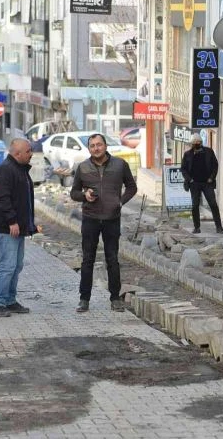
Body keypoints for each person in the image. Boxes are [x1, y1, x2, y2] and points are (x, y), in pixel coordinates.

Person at [70, 133, 138, 313]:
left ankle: (115, 298)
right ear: (89, 149)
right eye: (92, 146)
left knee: (112, 260)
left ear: (106, 146)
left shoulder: (120, 165)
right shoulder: (83, 167)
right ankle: (84, 299)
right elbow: (74, 193)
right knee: (87, 260)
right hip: (90, 219)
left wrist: (121, 202)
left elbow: (132, 187)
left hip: (112, 219)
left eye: (99, 145)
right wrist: (84, 195)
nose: (96, 148)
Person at [0, 138, 39, 317]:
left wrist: (28, 224)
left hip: (17, 227)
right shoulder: (5, 170)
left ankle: (9, 300)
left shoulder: (19, 169)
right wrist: (12, 221)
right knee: (8, 266)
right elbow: (1, 198)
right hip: (5, 228)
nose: (31, 154)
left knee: (16, 265)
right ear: (17, 154)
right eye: (28, 151)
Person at [180, 133, 223, 234]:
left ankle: (219, 227)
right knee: (195, 205)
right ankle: (197, 227)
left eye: (198, 142)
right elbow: (183, 169)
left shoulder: (209, 152)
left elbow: (215, 165)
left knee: (213, 204)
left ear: (201, 142)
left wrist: (211, 178)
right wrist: (189, 179)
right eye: (194, 143)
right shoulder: (188, 154)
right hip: (194, 184)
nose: (196, 144)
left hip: (207, 183)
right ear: (191, 144)